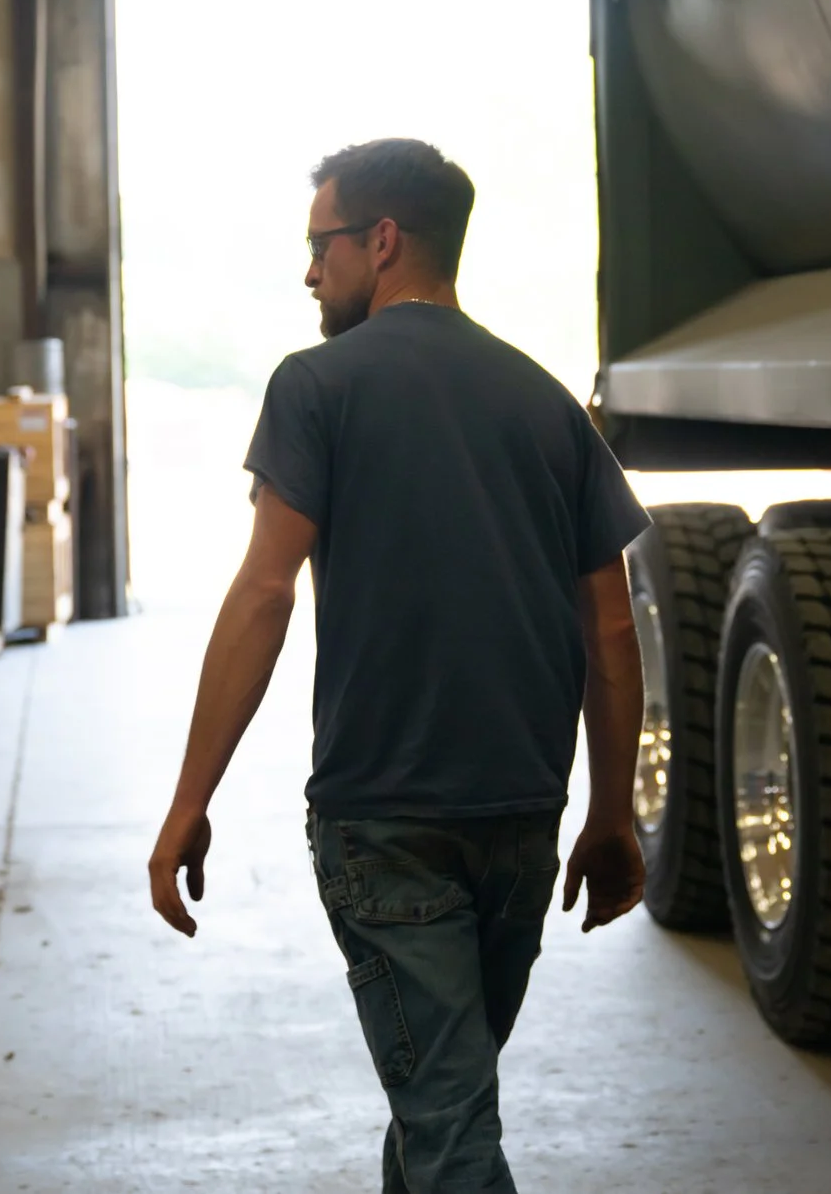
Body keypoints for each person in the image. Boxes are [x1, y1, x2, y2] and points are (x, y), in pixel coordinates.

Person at [146, 136, 652, 1192]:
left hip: (385, 817)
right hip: (521, 814)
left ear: (381, 240)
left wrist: (190, 798)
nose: (309, 271)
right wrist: (611, 811)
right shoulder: (548, 402)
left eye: (320, 244)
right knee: (442, 1101)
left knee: (447, 1124)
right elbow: (610, 627)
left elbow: (265, 591)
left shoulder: (315, 386)